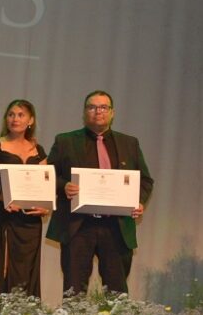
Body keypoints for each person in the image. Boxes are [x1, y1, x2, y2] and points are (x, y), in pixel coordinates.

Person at [47, 91, 153, 296]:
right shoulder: (65, 141)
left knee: (116, 292)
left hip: (116, 227)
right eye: (92, 107)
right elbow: (48, 175)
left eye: (104, 107)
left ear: (112, 112)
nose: (98, 111)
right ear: (84, 112)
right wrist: (64, 186)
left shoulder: (129, 143)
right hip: (78, 226)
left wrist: (138, 201)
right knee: (73, 291)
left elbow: (145, 180)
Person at [0, 100, 48, 302]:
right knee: (0, 268)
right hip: (4, 216)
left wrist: (45, 208)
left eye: (20, 115)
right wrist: (4, 199)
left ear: (30, 120)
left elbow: (45, 186)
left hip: (30, 221)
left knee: (28, 270)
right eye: (11, 114)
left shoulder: (38, 150)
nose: (15, 119)